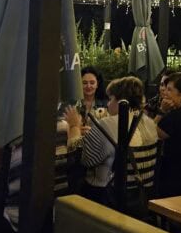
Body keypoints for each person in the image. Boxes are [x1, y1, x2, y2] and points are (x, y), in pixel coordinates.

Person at [65, 75, 157, 206]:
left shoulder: (108, 124)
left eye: (111, 99)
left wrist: (74, 126)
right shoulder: (150, 123)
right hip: (141, 196)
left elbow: (82, 158)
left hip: (107, 196)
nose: (108, 104)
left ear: (120, 101)